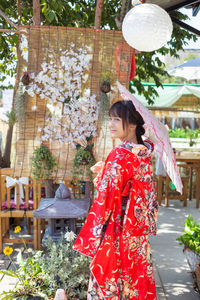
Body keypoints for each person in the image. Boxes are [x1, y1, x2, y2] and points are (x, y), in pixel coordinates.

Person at [73, 100, 158, 300]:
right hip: (136, 232)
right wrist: (106, 172)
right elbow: (131, 185)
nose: (111, 124)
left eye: (117, 119)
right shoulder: (143, 152)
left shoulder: (120, 155)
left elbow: (107, 196)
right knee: (135, 281)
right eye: (110, 118)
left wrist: (102, 178)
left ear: (133, 124)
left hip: (119, 229)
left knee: (114, 280)